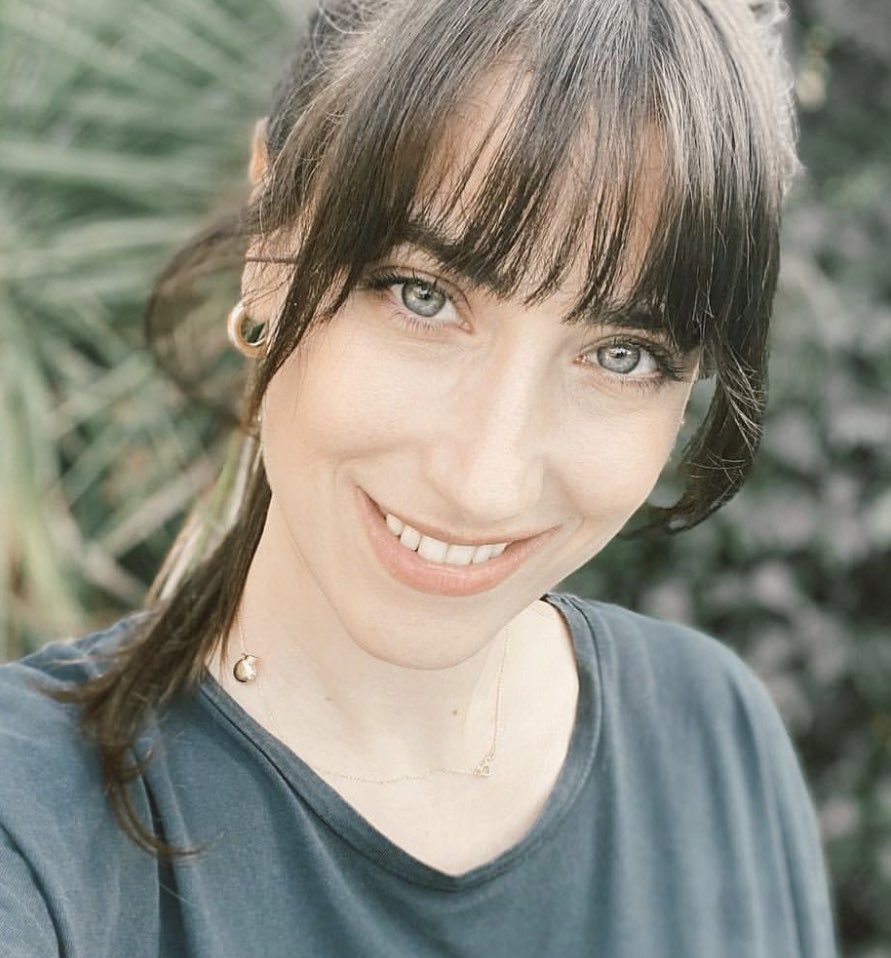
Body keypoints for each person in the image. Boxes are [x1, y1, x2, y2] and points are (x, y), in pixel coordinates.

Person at [0, 0, 838, 955]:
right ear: (271, 238)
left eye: (622, 354)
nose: (484, 482)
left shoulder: (714, 739)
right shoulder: (32, 829)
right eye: (423, 295)